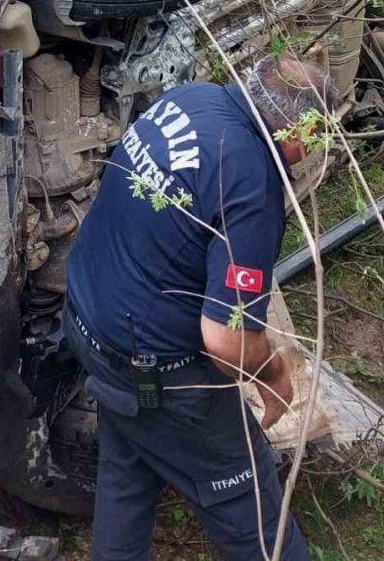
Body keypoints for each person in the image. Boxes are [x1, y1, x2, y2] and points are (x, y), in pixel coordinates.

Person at [64, 53, 337, 561]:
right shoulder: (253, 185)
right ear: (302, 131)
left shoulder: (189, 100)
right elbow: (225, 340)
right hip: (156, 372)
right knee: (250, 503)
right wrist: (272, 371)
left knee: (127, 469)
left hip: (91, 325)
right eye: (321, 134)